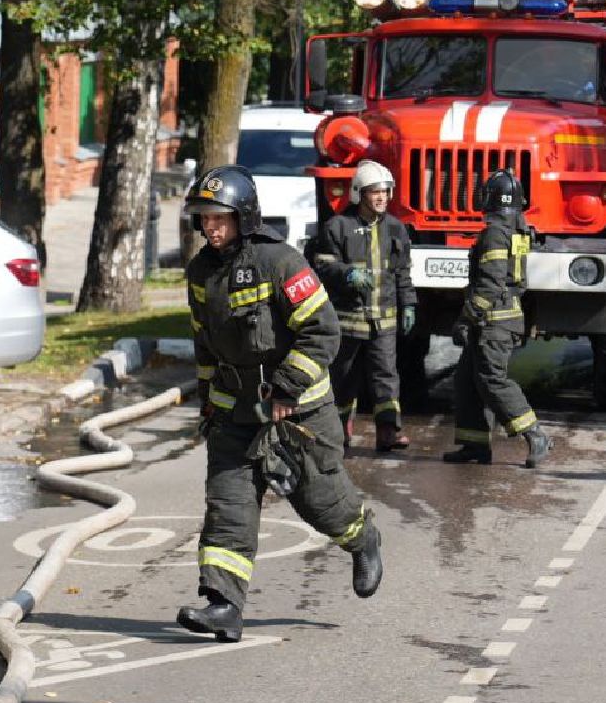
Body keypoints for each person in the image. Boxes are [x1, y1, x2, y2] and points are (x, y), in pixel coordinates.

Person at [178, 164, 384, 643]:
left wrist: (288, 389)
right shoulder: (200, 273)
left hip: (299, 415)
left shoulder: (281, 261)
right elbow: (204, 343)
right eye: (204, 218)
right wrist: (209, 402)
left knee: (320, 501)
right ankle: (224, 606)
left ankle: (361, 537)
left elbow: (322, 330)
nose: (210, 226)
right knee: (227, 505)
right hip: (235, 415)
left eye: (219, 217)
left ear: (244, 216)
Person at [442, 168, 552, 467]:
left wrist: (467, 317)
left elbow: (490, 283)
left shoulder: (494, 232)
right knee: (466, 381)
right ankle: (475, 445)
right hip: (498, 319)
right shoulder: (517, 230)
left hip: (493, 321)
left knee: (492, 380)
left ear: (487, 199)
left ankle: (535, 434)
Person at [307, 160, 416, 452]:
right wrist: (347, 273)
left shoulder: (396, 229)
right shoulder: (337, 227)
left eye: (386, 191)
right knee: (343, 378)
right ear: (359, 193)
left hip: (384, 321)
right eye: (374, 192)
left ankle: (389, 431)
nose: (382, 197)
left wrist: (408, 304)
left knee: (386, 376)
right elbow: (321, 265)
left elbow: (402, 272)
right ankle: (339, 430)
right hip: (348, 320)